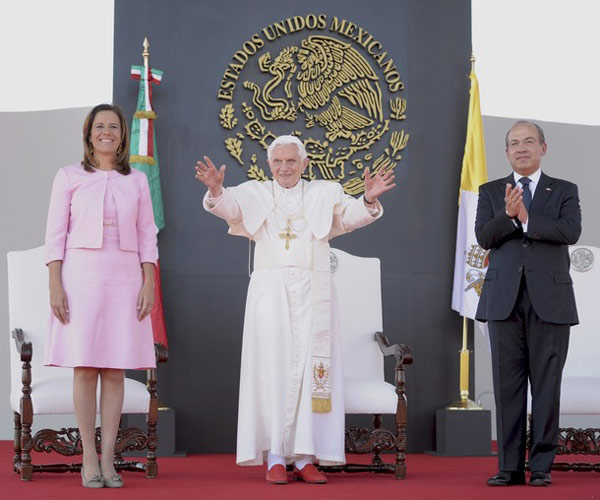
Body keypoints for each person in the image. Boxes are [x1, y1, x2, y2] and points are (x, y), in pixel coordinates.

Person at [195, 135, 395, 484]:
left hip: (313, 291)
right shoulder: (255, 193)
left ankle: (305, 457)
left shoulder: (324, 192)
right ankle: (275, 455)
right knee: (272, 369)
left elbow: (349, 216)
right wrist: (215, 190)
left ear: (304, 164)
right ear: (268, 164)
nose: (285, 168)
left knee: (308, 369)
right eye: (278, 162)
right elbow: (232, 209)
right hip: (269, 294)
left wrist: (368, 199)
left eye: (291, 161)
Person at [45, 103, 158, 488]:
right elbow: (55, 236)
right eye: (99, 126)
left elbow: (147, 235)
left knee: (114, 369)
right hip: (81, 277)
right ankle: (88, 460)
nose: (106, 132)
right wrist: (55, 284)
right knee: (85, 365)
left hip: (125, 277)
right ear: (89, 133)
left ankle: (110, 458)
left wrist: (149, 280)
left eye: (113, 126)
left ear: (122, 135)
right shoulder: (68, 176)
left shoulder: (138, 181)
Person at [475, 121, 581, 487]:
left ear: (543, 148)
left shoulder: (564, 190)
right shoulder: (490, 191)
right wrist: (506, 215)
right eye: (514, 143)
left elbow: (570, 232)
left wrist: (527, 217)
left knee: (547, 385)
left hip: (550, 301)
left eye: (528, 142)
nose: (521, 148)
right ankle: (508, 467)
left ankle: (540, 467)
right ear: (506, 152)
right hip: (503, 300)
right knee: (507, 387)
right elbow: (484, 237)